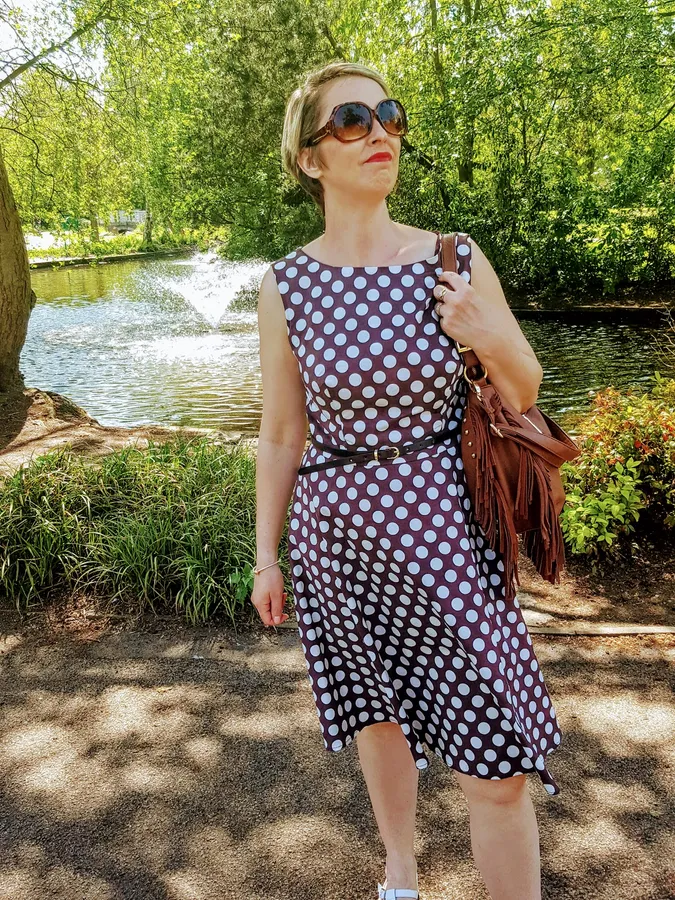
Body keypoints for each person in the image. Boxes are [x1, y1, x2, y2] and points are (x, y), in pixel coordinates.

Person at [252, 60, 562, 900]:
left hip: (446, 533)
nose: (379, 132)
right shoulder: (286, 285)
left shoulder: (451, 257)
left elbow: (524, 391)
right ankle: (399, 865)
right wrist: (266, 557)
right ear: (310, 156)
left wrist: (482, 332)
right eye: (352, 120)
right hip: (336, 536)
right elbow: (280, 433)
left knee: (495, 759)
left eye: (387, 114)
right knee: (377, 712)